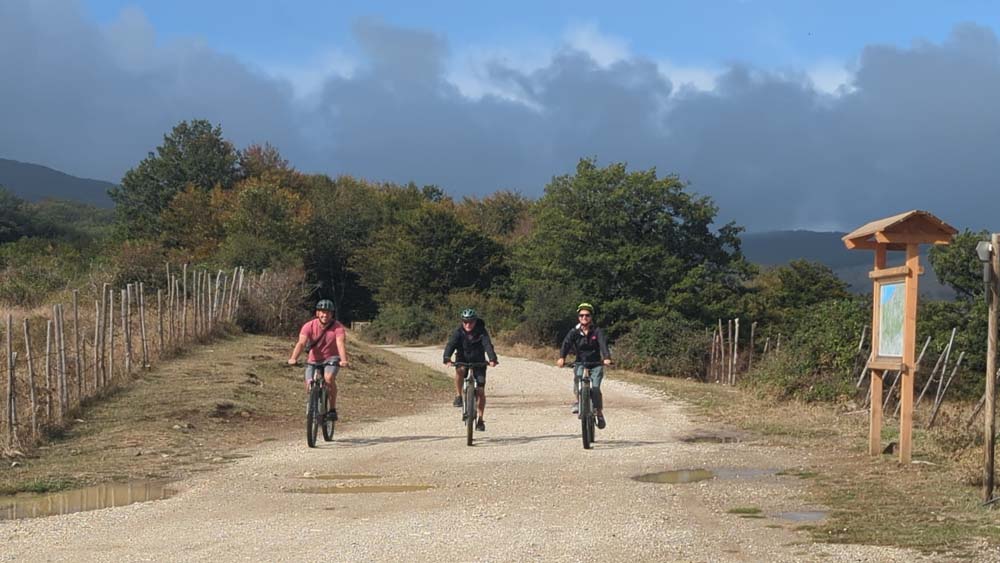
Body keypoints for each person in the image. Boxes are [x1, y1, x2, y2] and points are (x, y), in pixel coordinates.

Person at [288, 299, 349, 421]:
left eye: (328, 312)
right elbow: (301, 343)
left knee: (328, 378)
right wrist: (293, 358)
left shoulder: (338, 327)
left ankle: (331, 409)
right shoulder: (308, 326)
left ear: (332, 314)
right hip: (313, 360)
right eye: (322, 312)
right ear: (317, 313)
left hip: (331, 358)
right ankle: (312, 406)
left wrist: (343, 360)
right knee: (309, 383)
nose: (325, 315)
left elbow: (340, 343)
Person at [556, 303, 612, 429]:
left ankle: (599, 412)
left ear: (591, 317)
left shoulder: (597, 331)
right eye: (581, 315)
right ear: (578, 317)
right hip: (580, 362)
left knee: (596, 387)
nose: (584, 317)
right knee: (578, 379)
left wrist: (607, 357)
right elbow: (566, 343)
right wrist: (562, 357)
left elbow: (603, 344)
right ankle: (579, 401)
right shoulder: (574, 331)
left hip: (596, 364)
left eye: (587, 315)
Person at [443, 308, 498, 432]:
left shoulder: (481, 332)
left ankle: (480, 419)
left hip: (479, 362)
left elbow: (488, 345)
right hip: (462, 359)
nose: (468, 325)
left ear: (475, 321)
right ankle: (458, 396)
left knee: (480, 391)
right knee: (460, 370)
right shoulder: (458, 332)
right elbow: (451, 344)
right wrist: (447, 357)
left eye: (471, 322)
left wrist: (492, 358)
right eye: (465, 322)